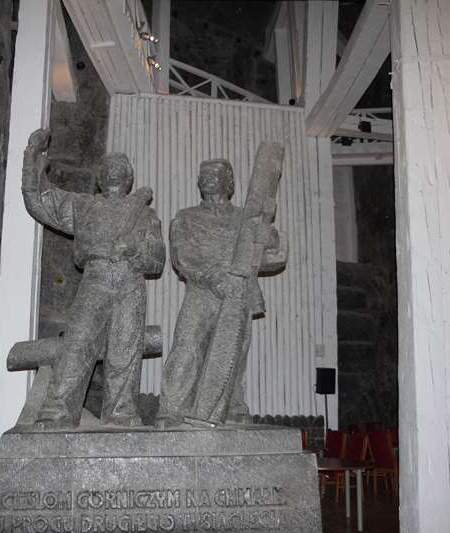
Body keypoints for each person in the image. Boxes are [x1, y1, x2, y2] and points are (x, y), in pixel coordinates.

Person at [21, 129, 165, 429]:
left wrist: (136, 250)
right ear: (100, 177)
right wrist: (31, 158)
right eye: (108, 168)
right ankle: (59, 409)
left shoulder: (146, 215)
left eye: (120, 168)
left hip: (130, 280)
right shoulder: (85, 206)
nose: (114, 172)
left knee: (126, 348)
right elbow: (41, 200)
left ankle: (121, 412)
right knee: (78, 341)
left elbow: (156, 260)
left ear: (129, 178)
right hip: (96, 278)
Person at [156, 158, 285, 428]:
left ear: (229, 182)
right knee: (186, 346)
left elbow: (277, 254)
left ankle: (232, 405)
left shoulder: (245, 217)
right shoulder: (186, 217)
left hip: (237, 292)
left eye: (215, 174)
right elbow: (182, 258)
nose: (208, 178)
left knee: (234, 352)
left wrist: (264, 233)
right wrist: (212, 276)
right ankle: (172, 407)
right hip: (201, 291)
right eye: (204, 174)